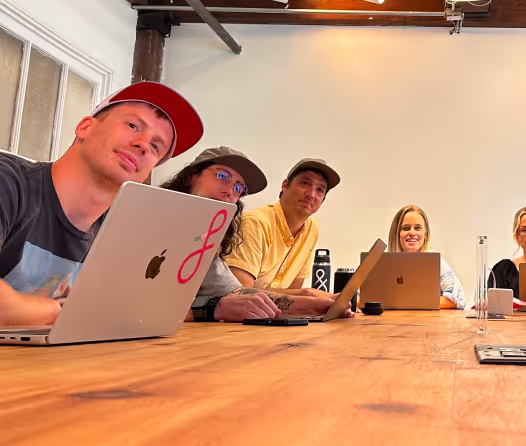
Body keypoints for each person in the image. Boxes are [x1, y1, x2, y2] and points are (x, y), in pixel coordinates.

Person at [0, 81, 202, 326]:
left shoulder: (120, 230)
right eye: (132, 125)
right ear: (85, 127)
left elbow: (148, 311)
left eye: (156, 146)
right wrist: (57, 312)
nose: (143, 145)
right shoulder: (9, 180)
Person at [161, 147, 346, 322]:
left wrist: (317, 305)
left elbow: (236, 294)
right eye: (222, 176)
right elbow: (138, 305)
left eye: (238, 188)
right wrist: (211, 309)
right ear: (193, 175)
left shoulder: (202, 238)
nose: (229, 192)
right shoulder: (150, 213)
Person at [225, 158, 339, 295]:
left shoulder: (311, 229)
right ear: (285, 186)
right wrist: (306, 294)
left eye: (320, 190)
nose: (311, 194)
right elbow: (240, 295)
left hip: (274, 315)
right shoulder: (254, 223)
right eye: (305, 183)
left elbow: (292, 294)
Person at [387, 205, 465, 309]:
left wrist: (411, 302)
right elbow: (361, 297)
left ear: (425, 234)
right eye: (406, 228)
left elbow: (457, 299)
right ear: (396, 234)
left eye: (417, 228)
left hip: (428, 323)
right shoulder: (383, 263)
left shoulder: (435, 261)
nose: (412, 233)